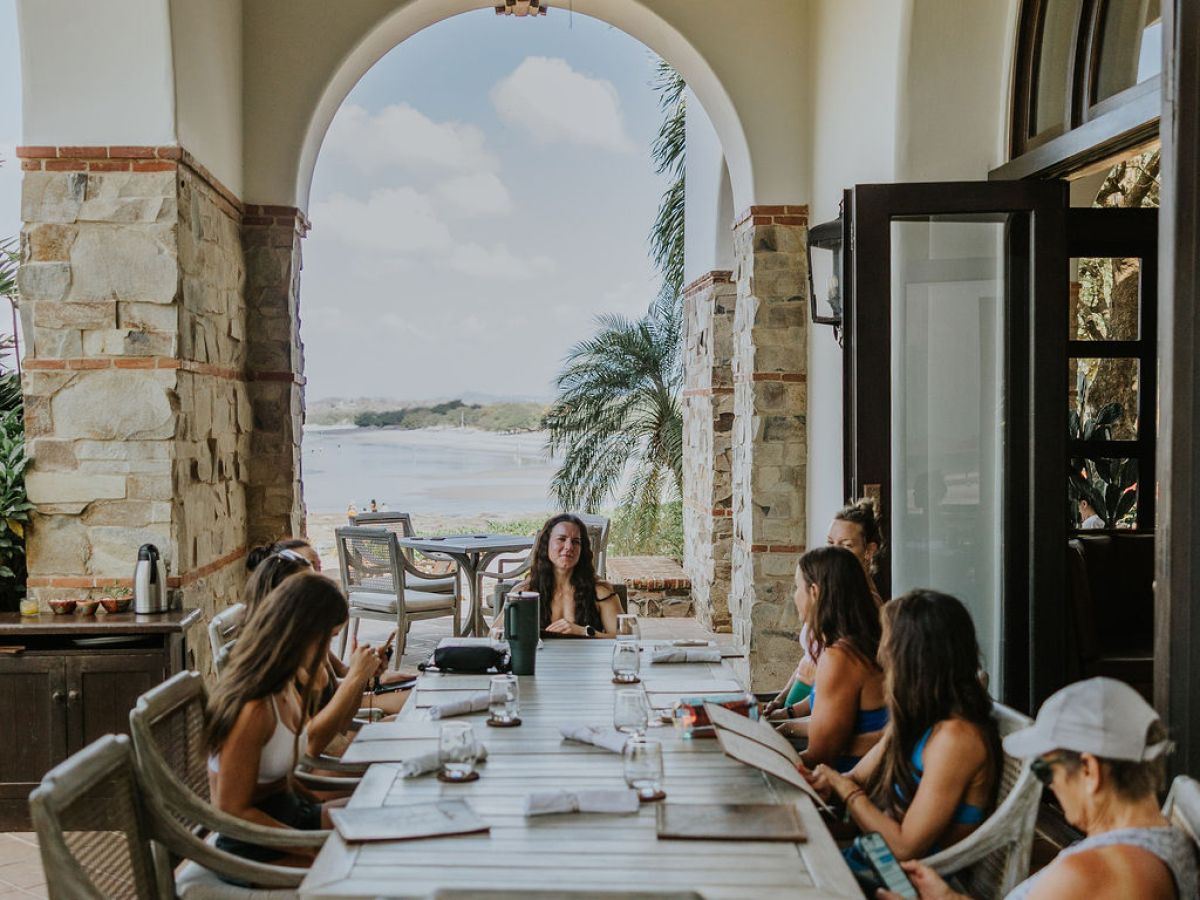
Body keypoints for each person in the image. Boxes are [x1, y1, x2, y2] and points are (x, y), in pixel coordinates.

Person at [879, 678, 1197, 900]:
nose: (1050, 786)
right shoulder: (1164, 840)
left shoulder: (1096, 871)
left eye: (1046, 770)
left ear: (1090, 771)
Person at [807, 589, 1000, 880]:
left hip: (906, 881)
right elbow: (857, 777)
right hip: (871, 860)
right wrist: (827, 782)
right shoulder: (921, 717)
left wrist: (844, 790)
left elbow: (904, 847)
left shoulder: (957, 738)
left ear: (914, 657)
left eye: (889, 643)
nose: (881, 654)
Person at [205, 573, 351, 866]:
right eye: (328, 639)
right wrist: (307, 846)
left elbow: (282, 776)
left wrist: (318, 804)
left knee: (387, 816)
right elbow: (230, 809)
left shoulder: (285, 685)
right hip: (254, 845)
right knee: (371, 867)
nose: (327, 652)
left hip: (292, 817)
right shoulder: (253, 707)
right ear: (304, 632)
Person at [765, 499, 887, 718]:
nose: (834, 552)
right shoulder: (833, 594)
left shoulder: (866, 604)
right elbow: (809, 658)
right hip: (797, 702)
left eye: (846, 545)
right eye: (831, 543)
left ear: (869, 551)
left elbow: (842, 682)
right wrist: (780, 699)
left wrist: (790, 714)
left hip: (817, 712)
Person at [774, 546, 887, 771]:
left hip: (847, 783)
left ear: (814, 592)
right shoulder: (855, 644)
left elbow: (820, 755)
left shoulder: (841, 658)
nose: (795, 596)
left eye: (797, 587)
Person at [516, 513, 621, 638]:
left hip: (587, 657)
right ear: (546, 544)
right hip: (538, 658)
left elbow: (626, 638)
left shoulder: (599, 592)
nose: (569, 547)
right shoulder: (526, 592)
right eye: (561, 539)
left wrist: (583, 632)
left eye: (576, 542)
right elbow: (496, 636)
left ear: (582, 550)